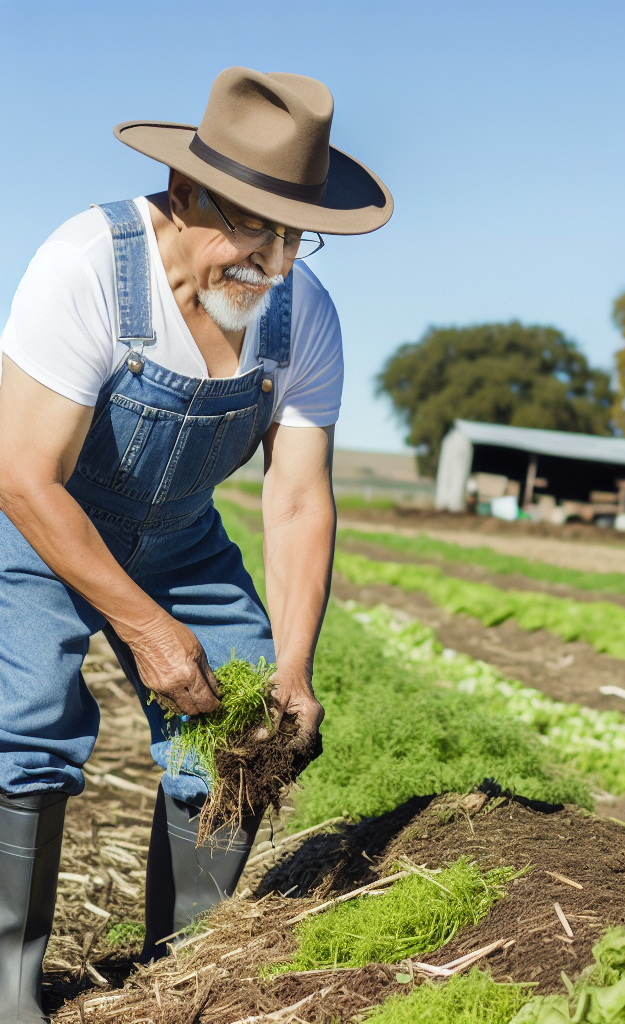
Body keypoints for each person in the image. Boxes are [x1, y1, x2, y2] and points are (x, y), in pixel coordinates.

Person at [0, 67, 392, 1021]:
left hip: (177, 539)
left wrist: (293, 668)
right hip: (36, 527)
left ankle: (177, 982)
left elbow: (298, 499)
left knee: (246, 729)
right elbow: (21, 474)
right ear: (184, 195)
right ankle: (11, 988)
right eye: (255, 229)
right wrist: (144, 629)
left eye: (296, 236)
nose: (278, 263)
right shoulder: (89, 262)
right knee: (28, 720)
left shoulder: (305, 321)